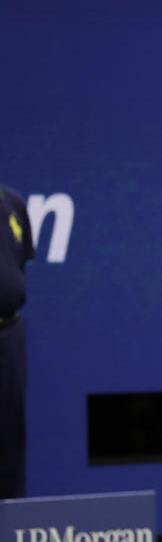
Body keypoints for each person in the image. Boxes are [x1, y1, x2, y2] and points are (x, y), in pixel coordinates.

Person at [0, 184, 34, 499]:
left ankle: (10, 533)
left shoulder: (13, 203)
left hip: (9, 335)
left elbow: (16, 269)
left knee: (10, 442)